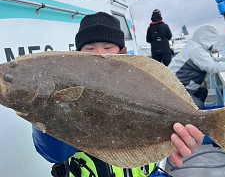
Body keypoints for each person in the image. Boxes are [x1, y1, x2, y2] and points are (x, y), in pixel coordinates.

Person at [32, 12, 204, 177]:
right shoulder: (67, 94)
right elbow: (54, 154)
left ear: (122, 52)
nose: (99, 55)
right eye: (89, 48)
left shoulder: (141, 83)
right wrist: (48, 111)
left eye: (107, 48)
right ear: (78, 56)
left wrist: (176, 140)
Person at [169, 24, 225, 110]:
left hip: (180, 86)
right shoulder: (197, 50)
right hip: (178, 89)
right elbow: (213, 68)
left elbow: (210, 61)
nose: (212, 45)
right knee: (198, 106)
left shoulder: (194, 46)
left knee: (202, 91)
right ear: (207, 40)